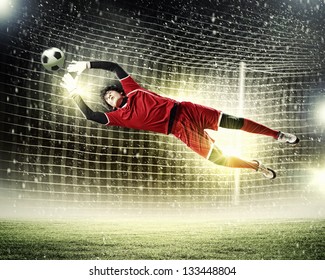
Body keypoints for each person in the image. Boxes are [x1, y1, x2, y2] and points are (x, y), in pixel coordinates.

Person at [60, 61, 300, 179]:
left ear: (120, 91)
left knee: (235, 122)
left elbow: (114, 67)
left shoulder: (132, 89)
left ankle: (278, 135)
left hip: (187, 110)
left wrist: (87, 65)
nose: (110, 98)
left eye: (111, 93)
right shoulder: (118, 117)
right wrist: (74, 92)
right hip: (177, 130)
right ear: (110, 106)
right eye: (107, 100)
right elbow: (90, 115)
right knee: (219, 160)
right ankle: (256, 166)